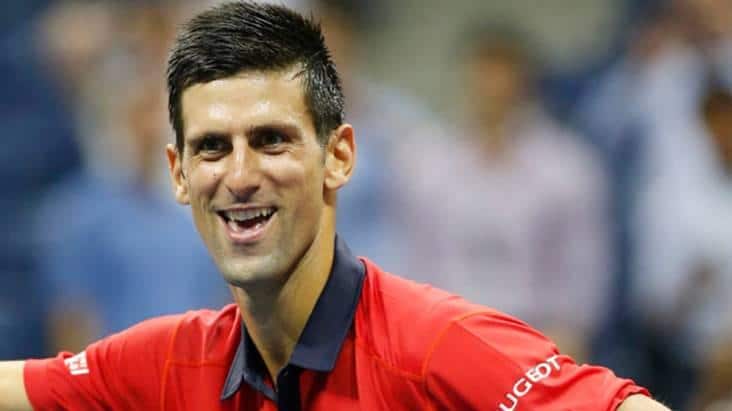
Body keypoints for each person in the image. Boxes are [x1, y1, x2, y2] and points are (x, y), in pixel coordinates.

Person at [0, 2, 669, 410]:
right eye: (212, 148)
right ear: (179, 174)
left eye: (271, 140)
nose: (239, 176)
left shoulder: (441, 346)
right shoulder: (168, 361)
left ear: (340, 157)